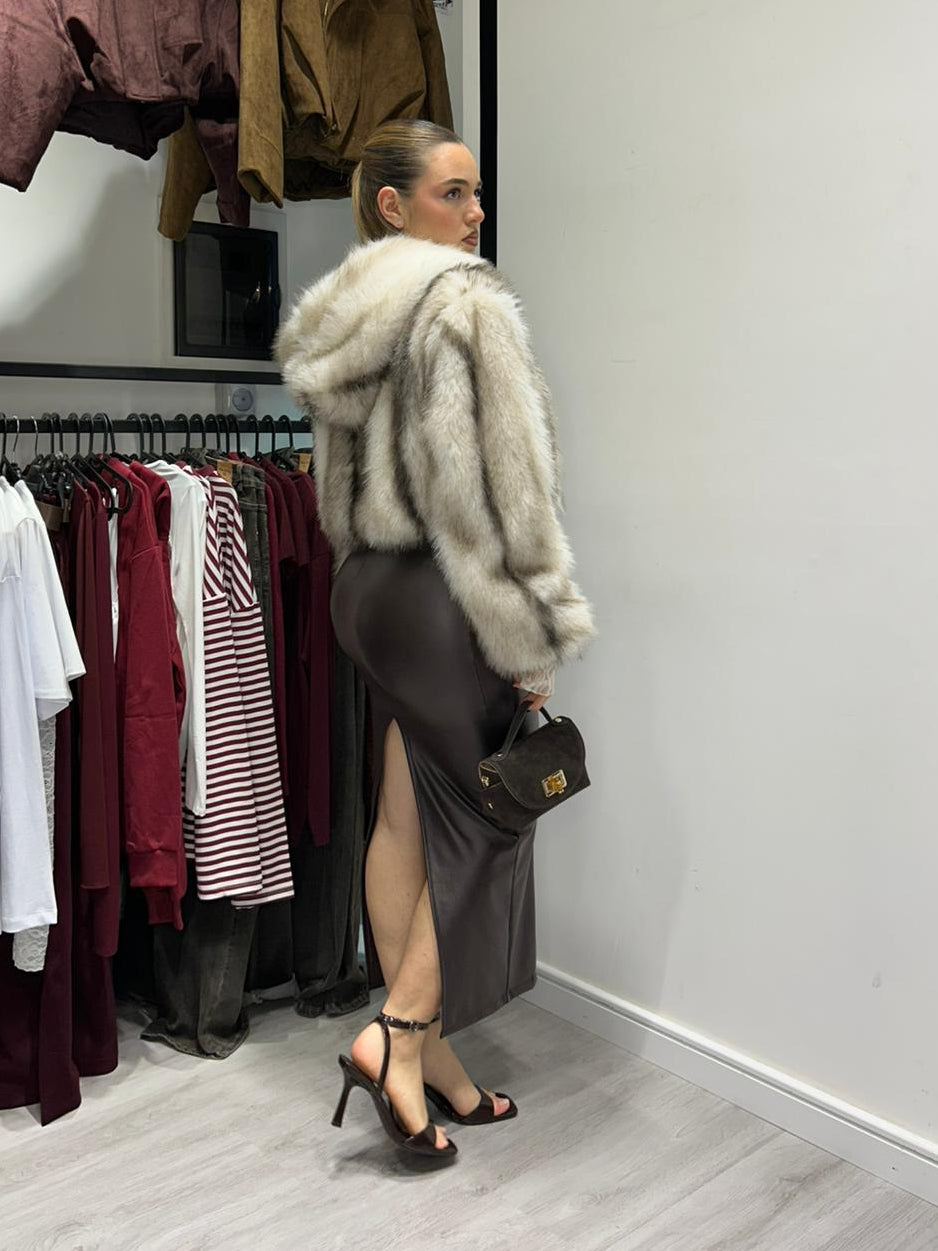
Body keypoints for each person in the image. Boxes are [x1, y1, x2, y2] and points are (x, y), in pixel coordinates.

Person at [275, 118, 596, 1162]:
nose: (475, 212)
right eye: (453, 192)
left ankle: (435, 1064)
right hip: (445, 596)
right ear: (392, 204)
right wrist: (532, 632)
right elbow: (502, 489)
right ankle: (398, 1035)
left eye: (475, 192)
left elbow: (339, 483)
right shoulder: (462, 305)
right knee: (497, 816)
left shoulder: (348, 314)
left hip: (368, 589)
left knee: (406, 817)